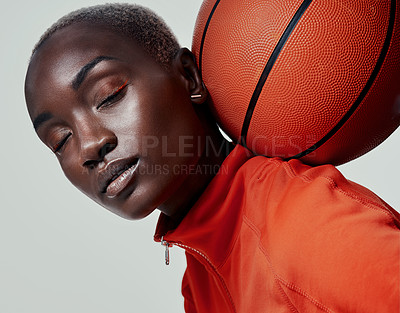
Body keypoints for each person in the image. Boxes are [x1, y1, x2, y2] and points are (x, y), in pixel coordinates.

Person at [24, 3, 399, 313]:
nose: (89, 147)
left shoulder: (304, 223)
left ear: (188, 77)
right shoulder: (198, 282)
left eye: (108, 96)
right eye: (60, 140)